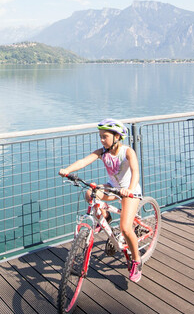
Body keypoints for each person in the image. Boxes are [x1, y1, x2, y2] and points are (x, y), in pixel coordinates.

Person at [59, 118, 143, 283]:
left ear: (117, 137)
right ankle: (106, 218)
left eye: (105, 136)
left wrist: (130, 189)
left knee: (125, 228)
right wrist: (67, 170)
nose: (102, 140)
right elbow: (84, 161)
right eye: (101, 136)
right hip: (112, 188)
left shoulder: (127, 152)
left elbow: (135, 172)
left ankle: (136, 260)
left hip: (129, 191)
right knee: (90, 193)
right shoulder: (102, 152)